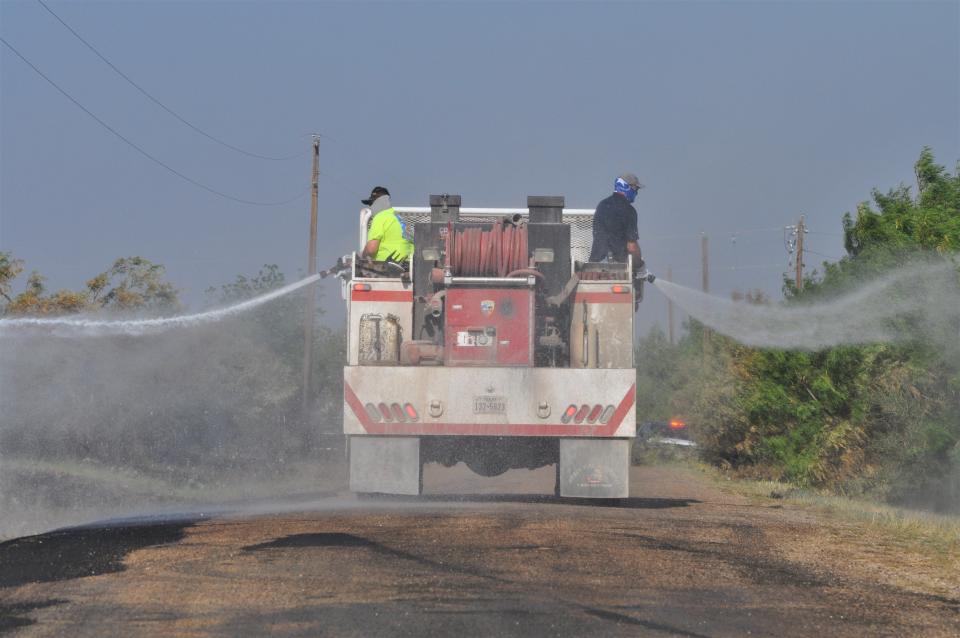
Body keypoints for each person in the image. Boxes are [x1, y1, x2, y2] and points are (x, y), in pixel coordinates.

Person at [588, 173, 643, 265]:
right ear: (627, 187)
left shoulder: (602, 205)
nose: (636, 193)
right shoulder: (630, 211)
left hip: (595, 265)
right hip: (618, 267)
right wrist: (640, 266)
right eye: (636, 189)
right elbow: (632, 247)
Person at [361, 186, 413, 263]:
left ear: (376, 202)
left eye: (371, 204)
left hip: (388, 267)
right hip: (409, 265)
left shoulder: (380, 217)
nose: (370, 207)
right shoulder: (401, 219)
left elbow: (371, 249)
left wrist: (363, 256)